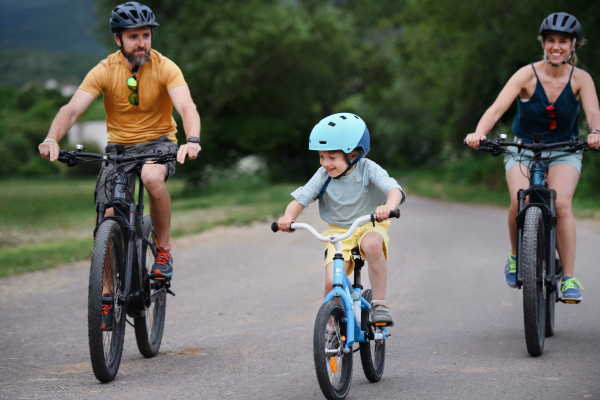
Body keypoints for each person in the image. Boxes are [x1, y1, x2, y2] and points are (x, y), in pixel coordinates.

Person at [38, 2, 201, 328]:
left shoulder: (166, 67)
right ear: (118, 40)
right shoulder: (104, 69)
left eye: (145, 35)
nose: (141, 42)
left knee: (152, 177)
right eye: (133, 37)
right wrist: (53, 138)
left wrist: (192, 139)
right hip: (119, 148)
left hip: (159, 143)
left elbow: (186, 105)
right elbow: (72, 110)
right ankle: (107, 294)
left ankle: (163, 250)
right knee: (108, 214)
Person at [465, 12, 600, 301]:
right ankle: (516, 256)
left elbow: (593, 113)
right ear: (543, 42)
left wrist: (596, 131)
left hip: (565, 149)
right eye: (550, 40)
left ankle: (568, 278)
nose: (556, 46)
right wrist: (479, 133)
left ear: (573, 45)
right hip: (523, 149)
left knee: (561, 204)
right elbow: (496, 109)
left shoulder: (581, 79)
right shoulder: (526, 74)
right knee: (519, 199)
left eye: (563, 41)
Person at [277, 113, 405, 325]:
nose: (325, 163)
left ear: (353, 154)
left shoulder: (368, 169)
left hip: (369, 224)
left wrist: (388, 207)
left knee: (373, 245)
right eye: (321, 156)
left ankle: (379, 304)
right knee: (332, 280)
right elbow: (300, 200)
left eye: (332, 157)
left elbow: (394, 189)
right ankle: (332, 328)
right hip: (338, 233)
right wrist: (288, 217)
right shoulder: (323, 175)